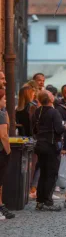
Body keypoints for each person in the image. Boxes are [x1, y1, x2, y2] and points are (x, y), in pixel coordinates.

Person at [32, 90, 65, 211]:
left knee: (43, 174)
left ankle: (39, 201)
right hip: (51, 146)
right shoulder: (54, 112)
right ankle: (47, 201)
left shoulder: (37, 112)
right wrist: (64, 126)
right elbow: (59, 129)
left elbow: (34, 130)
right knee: (51, 174)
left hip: (40, 145)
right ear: (50, 99)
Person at [0, 89, 14, 220]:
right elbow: (4, 135)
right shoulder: (1, 114)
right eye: (4, 99)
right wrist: (8, 151)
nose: (5, 102)